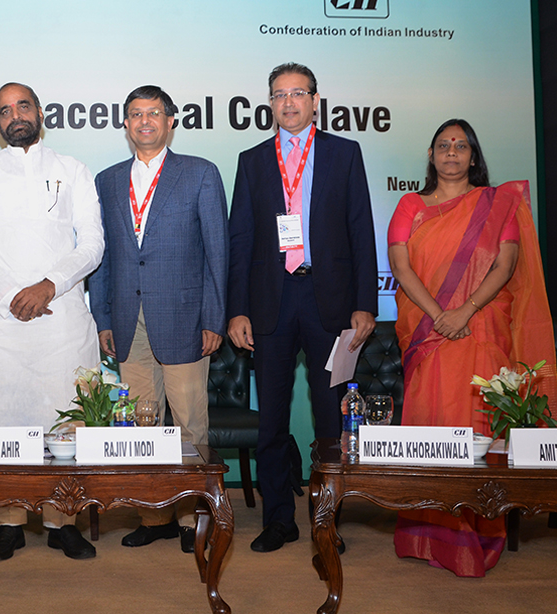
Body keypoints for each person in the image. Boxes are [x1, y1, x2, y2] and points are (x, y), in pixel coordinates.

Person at [389, 118, 556, 577]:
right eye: (443, 145)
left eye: (461, 145)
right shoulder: (411, 204)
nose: (451, 152)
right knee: (433, 427)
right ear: (431, 155)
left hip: (480, 328)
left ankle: (478, 535)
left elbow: (505, 263)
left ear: (473, 156)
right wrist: (439, 315)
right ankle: (426, 534)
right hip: (430, 333)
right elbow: (400, 265)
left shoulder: (496, 204)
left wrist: (465, 311)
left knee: (477, 431)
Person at [227, 62, 378, 553]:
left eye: (297, 93)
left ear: (315, 100)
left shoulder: (343, 153)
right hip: (270, 301)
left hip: (328, 299)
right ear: (269, 103)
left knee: (330, 420)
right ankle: (279, 520)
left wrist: (365, 303)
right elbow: (240, 240)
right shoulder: (252, 160)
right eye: (279, 94)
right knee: (270, 419)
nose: (288, 102)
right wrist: (237, 309)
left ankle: (326, 521)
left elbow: (361, 229)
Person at [0, 82, 104, 561]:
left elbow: (92, 244)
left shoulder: (72, 170)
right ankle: (9, 521)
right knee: (1, 416)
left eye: (23, 106)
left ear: (40, 112)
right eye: (4, 110)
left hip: (60, 317)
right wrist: (9, 295)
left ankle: (63, 520)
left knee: (66, 415)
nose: (14, 115)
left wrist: (48, 286)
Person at [90, 85, 228, 553]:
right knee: (140, 425)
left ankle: (192, 519)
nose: (144, 121)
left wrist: (214, 318)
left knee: (190, 424)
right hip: (128, 321)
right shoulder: (108, 180)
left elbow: (217, 253)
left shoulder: (200, 173)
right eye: (135, 114)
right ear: (125, 124)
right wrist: (103, 317)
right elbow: (103, 257)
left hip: (185, 318)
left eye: (154, 113)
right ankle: (154, 517)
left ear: (171, 121)